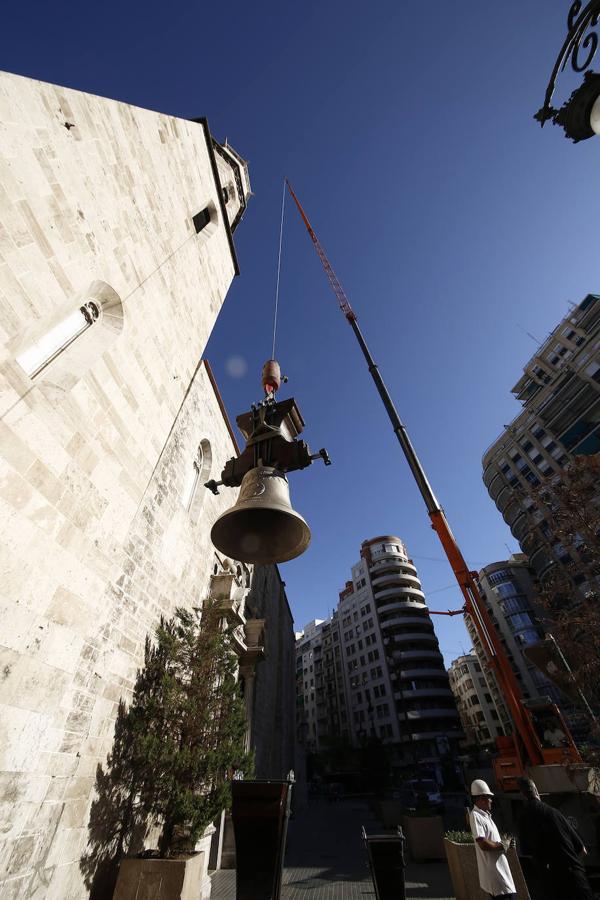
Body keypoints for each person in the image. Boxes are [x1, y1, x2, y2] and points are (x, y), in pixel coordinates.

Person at [517, 776, 593, 900]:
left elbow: (526, 851)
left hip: (552, 883)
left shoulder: (524, 819)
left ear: (523, 795)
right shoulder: (555, 813)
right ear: (536, 791)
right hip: (576, 879)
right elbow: (582, 850)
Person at [468, 779, 516, 900]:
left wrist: (506, 843)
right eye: (489, 797)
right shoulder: (476, 816)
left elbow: (491, 839)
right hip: (496, 876)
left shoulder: (485, 815)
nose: (491, 800)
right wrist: (503, 845)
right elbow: (483, 844)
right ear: (481, 798)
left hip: (500, 873)